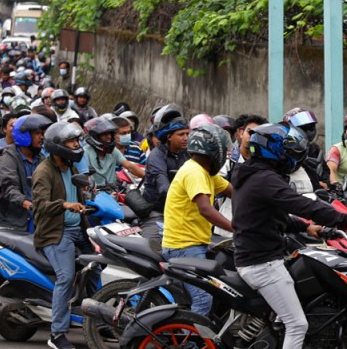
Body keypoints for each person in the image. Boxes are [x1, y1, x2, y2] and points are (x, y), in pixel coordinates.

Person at [232, 123, 347, 349]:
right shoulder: (264, 179)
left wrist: (305, 227)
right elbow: (302, 205)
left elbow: (270, 216)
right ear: (273, 151)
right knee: (297, 324)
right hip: (262, 263)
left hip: (261, 256)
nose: (292, 155)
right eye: (287, 149)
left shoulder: (253, 174)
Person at [33, 122, 98, 349]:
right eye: (72, 142)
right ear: (58, 146)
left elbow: (81, 187)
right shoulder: (43, 171)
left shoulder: (70, 166)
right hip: (55, 233)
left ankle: (98, 321)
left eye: (77, 141)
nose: (76, 145)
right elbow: (40, 205)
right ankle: (57, 333)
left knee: (97, 266)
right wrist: (65, 204)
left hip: (77, 230)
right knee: (66, 276)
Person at [161, 123, 234, 315]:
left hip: (198, 242)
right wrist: (237, 228)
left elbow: (234, 192)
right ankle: (190, 344)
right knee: (203, 299)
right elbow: (206, 210)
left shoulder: (206, 172)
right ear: (213, 149)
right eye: (223, 148)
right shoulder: (194, 172)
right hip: (184, 246)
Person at [140, 105, 190, 252]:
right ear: (169, 136)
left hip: (181, 213)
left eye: (187, 134)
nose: (186, 138)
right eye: (181, 135)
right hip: (157, 214)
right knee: (152, 253)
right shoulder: (156, 156)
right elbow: (164, 189)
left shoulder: (187, 154)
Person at [0, 114, 52, 230]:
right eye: (37, 133)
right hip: (14, 222)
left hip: (40, 219)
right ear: (24, 135)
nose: (41, 137)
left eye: (42, 134)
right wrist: (27, 203)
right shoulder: (9, 157)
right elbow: (9, 188)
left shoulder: (42, 159)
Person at [82, 117, 144, 188]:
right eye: (104, 134)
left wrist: (148, 177)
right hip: (94, 194)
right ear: (96, 136)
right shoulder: (86, 152)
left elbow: (130, 166)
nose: (109, 137)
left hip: (111, 192)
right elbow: (84, 177)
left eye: (110, 134)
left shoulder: (113, 151)